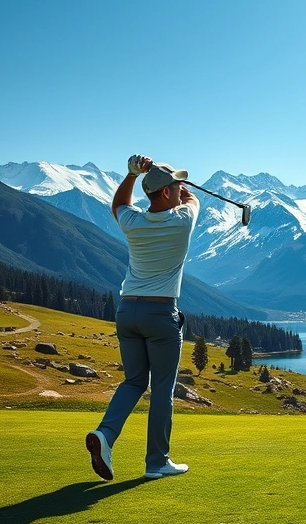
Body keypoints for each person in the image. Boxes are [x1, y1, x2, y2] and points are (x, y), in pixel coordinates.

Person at [85, 154, 200, 480]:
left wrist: (133, 173)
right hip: (160, 314)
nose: (180, 188)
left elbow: (119, 203)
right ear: (166, 193)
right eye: (176, 185)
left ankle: (105, 435)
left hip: (127, 311)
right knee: (162, 389)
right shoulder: (182, 222)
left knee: (134, 381)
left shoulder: (132, 221)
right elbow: (193, 199)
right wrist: (182, 185)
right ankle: (156, 462)